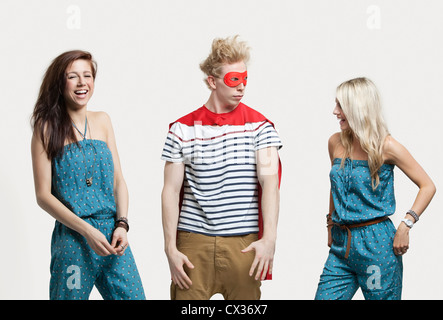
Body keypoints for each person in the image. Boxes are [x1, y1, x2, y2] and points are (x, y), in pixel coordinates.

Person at [161, 35, 282, 300]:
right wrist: (170, 247)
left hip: (243, 244)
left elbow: (270, 183)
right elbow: (170, 190)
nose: (241, 87)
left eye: (244, 79)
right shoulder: (182, 129)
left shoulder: (261, 127)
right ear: (212, 82)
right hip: (193, 243)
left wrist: (269, 239)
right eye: (233, 80)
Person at [31, 50, 146, 300]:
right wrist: (87, 231)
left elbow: (119, 182)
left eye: (87, 75)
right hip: (73, 240)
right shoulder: (46, 128)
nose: (82, 82)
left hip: (113, 236)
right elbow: (43, 195)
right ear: (60, 83)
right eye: (73, 76)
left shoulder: (103, 120)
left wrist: (122, 225)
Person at [315, 77, 436, 300]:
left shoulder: (387, 146)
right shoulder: (335, 142)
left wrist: (405, 225)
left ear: (358, 108)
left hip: (376, 246)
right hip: (342, 244)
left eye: (341, 105)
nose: (335, 111)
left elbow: (427, 185)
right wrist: (330, 224)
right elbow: (336, 187)